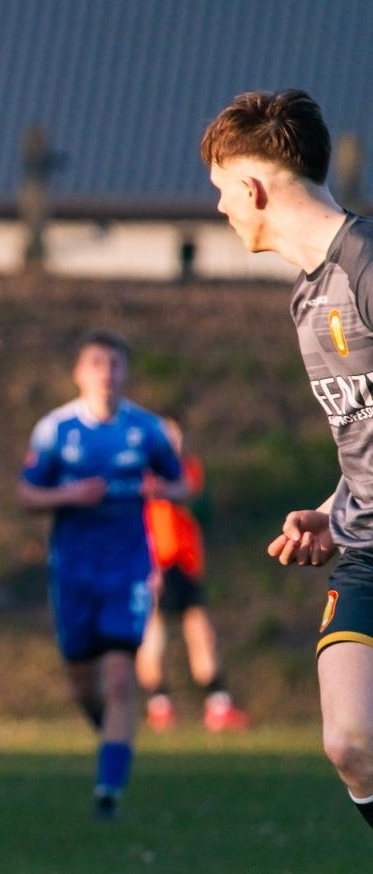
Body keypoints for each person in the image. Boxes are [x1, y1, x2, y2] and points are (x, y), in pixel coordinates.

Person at [202, 89, 373, 835]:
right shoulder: (309, 299)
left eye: (220, 191)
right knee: (350, 740)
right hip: (365, 550)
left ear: (254, 188)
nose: (220, 209)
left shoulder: (367, 264)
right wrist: (336, 511)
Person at [18, 331, 187, 820]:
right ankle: (112, 740)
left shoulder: (147, 429)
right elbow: (27, 496)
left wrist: (162, 489)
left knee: (119, 677)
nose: (106, 373)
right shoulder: (55, 430)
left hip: (128, 569)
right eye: (96, 364)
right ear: (79, 373)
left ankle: (108, 792)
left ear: (125, 372)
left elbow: (181, 484)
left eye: (114, 364)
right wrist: (69, 496)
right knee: (81, 681)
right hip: (72, 571)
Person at [136, 417, 251, 732]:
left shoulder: (188, 469)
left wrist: (165, 489)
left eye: (177, 436)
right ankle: (159, 705)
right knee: (153, 634)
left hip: (187, 563)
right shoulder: (139, 472)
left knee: (201, 633)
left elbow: (189, 496)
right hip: (156, 565)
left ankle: (217, 704)